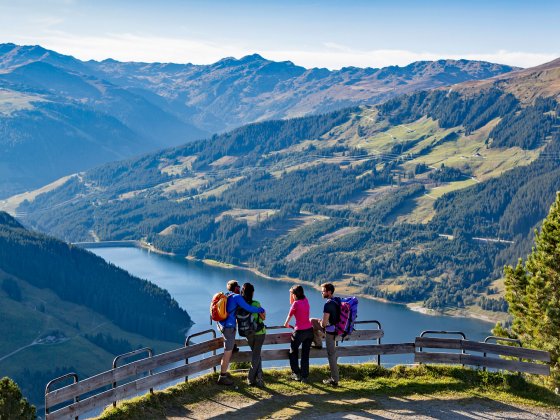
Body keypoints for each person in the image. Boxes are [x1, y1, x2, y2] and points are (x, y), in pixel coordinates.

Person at [217, 279, 265, 386]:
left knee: (230, 349)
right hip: (229, 327)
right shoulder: (236, 297)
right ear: (236, 288)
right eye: (238, 287)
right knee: (227, 352)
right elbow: (248, 308)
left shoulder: (226, 295)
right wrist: (260, 310)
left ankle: (224, 373)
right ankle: (223, 376)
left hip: (222, 326)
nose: (240, 288)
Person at [311, 282, 339, 387]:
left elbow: (323, 323)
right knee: (312, 321)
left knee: (331, 355)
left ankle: (334, 380)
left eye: (323, 291)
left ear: (329, 292)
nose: (321, 293)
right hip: (337, 329)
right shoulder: (336, 300)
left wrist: (321, 322)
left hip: (331, 332)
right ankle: (318, 343)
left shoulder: (328, 304)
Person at [284, 284, 314, 383]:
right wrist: (291, 292)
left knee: (293, 352)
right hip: (309, 331)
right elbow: (292, 302)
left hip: (300, 331)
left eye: (292, 294)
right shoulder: (305, 300)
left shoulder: (295, 304)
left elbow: (289, 315)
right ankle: (305, 377)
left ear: (295, 294)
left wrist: (286, 324)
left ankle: (296, 374)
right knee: (305, 354)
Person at [240, 282, 267, 387]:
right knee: (256, 355)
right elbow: (263, 317)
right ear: (252, 293)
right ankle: (251, 379)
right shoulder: (256, 304)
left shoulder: (241, 304)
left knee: (256, 354)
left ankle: (259, 377)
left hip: (248, 333)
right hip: (259, 333)